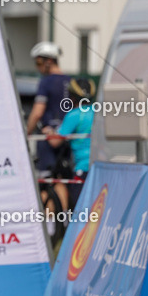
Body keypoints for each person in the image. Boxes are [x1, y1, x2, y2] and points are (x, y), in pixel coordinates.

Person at [49, 78, 96, 212]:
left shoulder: (74, 115)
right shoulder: (98, 112)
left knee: (79, 209)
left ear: (73, 96)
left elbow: (55, 141)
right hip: (98, 166)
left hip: (82, 168)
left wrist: (47, 132)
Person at [26, 42, 71, 178]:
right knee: (62, 180)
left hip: (48, 138)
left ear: (49, 61)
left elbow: (38, 112)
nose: (37, 67)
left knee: (47, 182)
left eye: (39, 62)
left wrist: (26, 132)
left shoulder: (46, 82)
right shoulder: (70, 81)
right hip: (67, 137)